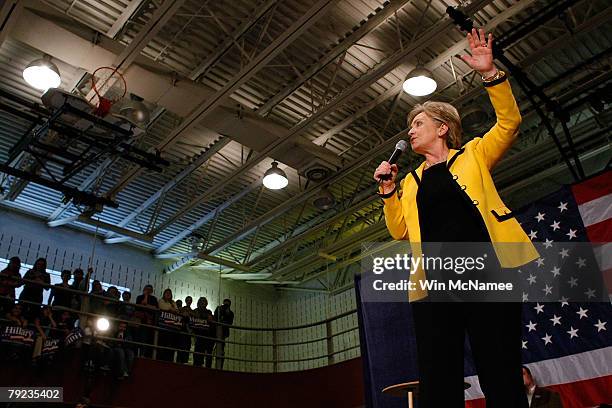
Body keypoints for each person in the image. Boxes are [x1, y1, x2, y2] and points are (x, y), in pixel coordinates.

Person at [374, 29, 538, 407]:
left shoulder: (474, 154)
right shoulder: (411, 181)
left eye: (418, 124)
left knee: (498, 364)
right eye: (411, 126)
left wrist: (490, 74)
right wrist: (387, 192)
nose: (411, 132)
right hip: (434, 284)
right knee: (438, 373)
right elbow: (399, 230)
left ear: (442, 128)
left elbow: (509, 123)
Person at [135, 284, 158, 358]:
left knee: (147, 338)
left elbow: (155, 308)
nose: (148, 291)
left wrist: (146, 305)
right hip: (140, 320)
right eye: (146, 289)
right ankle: (139, 354)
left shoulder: (154, 298)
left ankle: (145, 354)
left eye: (149, 289)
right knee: (140, 338)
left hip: (150, 321)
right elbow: (139, 306)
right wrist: (146, 296)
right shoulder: (139, 297)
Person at [192, 297, 214, 368]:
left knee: (206, 353)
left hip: (207, 335)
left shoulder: (208, 312)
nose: (203, 303)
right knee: (198, 353)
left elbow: (210, 319)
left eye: (204, 302)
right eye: (201, 302)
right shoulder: (196, 311)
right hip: (199, 334)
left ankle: (207, 368)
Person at [157, 288, 178, 362]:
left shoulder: (173, 302)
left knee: (170, 344)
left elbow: (176, 310)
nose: (168, 294)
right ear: (164, 294)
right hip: (163, 326)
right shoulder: (161, 300)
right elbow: (162, 307)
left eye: (170, 293)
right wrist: (170, 309)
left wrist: (171, 309)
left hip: (171, 327)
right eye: (167, 293)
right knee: (162, 344)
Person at [214, 298, 234, 370]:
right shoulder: (219, 309)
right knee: (216, 348)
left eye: (227, 305)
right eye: (224, 304)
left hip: (223, 332)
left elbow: (230, 323)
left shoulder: (230, 313)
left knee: (221, 350)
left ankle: (220, 367)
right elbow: (215, 317)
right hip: (216, 331)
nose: (225, 306)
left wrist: (227, 314)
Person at [177, 296, 194, 364]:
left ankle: (184, 362)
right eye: (188, 300)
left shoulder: (192, 311)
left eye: (190, 300)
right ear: (186, 301)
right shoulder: (182, 309)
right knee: (181, 348)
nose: (189, 301)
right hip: (182, 331)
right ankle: (179, 362)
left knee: (187, 348)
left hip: (188, 332)